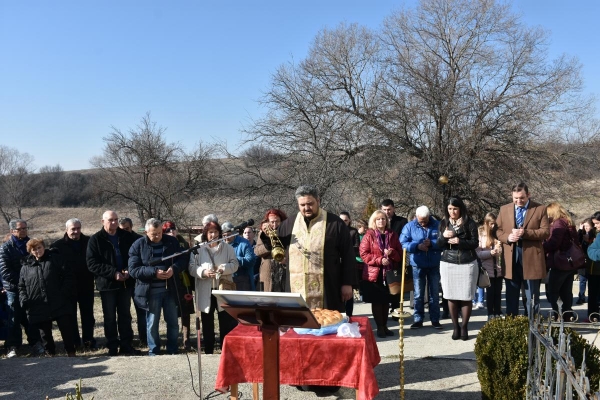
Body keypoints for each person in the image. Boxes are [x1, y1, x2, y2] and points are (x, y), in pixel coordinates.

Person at [277, 185, 356, 312]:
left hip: (327, 285)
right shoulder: (289, 224)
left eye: (310, 203)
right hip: (296, 286)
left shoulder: (335, 223)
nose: (306, 208)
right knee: (298, 325)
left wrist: (347, 283)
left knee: (327, 323)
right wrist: (266, 236)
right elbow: (275, 245)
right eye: (302, 205)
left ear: (318, 201)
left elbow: (348, 255)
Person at [128, 218, 186, 356]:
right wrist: (154, 273)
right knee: (152, 323)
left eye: (159, 232)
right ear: (146, 231)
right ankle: (154, 350)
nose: (157, 236)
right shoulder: (138, 245)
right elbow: (133, 270)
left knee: (173, 322)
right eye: (154, 234)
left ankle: (173, 349)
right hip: (150, 291)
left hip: (170, 289)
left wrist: (174, 269)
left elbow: (183, 259)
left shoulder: (172, 242)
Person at [86, 210, 138, 356]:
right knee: (109, 317)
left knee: (125, 315)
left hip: (125, 283)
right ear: (103, 222)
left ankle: (127, 345)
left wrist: (128, 270)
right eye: (110, 220)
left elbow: (134, 256)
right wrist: (113, 273)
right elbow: (92, 263)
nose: (114, 222)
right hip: (107, 284)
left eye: (116, 219)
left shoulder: (126, 236)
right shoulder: (95, 240)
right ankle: (113, 346)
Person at [496, 183, 549, 317]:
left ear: (528, 195)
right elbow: (497, 231)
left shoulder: (540, 209)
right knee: (511, 296)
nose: (518, 201)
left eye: (522, 198)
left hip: (531, 259)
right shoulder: (504, 209)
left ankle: (532, 326)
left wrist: (525, 233)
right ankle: (512, 325)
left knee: (531, 297)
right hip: (511, 258)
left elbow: (545, 232)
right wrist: (508, 237)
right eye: (515, 198)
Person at [19, 238, 76, 356]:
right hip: (39, 304)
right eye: (34, 249)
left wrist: (64, 293)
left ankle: (71, 352)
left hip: (58, 300)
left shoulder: (55, 258)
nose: (37, 251)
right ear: (30, 251)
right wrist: (24, 299)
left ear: (44, 247)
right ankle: (50, 354)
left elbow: (68, 276)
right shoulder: (25, 267)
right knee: (45, 333)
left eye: (39, 247)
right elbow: (21, 286)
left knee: (66, 328)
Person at [189, 221, 238, 354]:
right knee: (207, 322)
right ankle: (209, 350)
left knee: (225, 321)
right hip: (205, 289)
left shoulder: (227, 248)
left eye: (216, 232)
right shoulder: (198, 249)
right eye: (210, 232)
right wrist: (204, 273)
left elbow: (235, 265)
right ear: (206, 234)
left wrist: (223, 269)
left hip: (222, 289)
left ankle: (225, 350)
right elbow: (192, 268)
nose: (213, 235)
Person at [437, 197, 479, 341]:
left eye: (455, 209)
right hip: (448, 262)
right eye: (449, 209)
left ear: (460, 208)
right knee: (451, 296)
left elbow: (475, 243)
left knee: (466, 296)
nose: (452, 212)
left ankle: (464, 326)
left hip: (467, 262)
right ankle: (455, 326)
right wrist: (443, 237)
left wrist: (460, 241)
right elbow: (438, 244)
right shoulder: (443, 223)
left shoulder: (470, 222)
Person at [52, 218, 97, 349]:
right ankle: (75, 342)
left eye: (78, 228)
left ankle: (89, 341)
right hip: (67, 288)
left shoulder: (89, 242)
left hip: (86, 284)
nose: (76, 231)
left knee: (88, 315)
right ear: (66, 230)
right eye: (73, 229)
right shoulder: (57, 246)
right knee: (70, 316)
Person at [359, 210, 402, 337]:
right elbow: (363, 254)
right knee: (377, 302)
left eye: (383, 219)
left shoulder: (392, 235)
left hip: (388, 273)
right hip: (374, 274)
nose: (381, 221)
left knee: (386, 301)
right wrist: (379, 260)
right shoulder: (369, 235)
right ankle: (379, 328)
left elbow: (400, 255)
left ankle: (385, 326)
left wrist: (392, 253)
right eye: (378, 219)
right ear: (374, 221)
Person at [400, 205, 442, 329]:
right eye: (420, 221)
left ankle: (435, 319)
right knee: (418, 293)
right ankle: (418, 319)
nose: (423, 223)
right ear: (416, 217)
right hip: (418, 265)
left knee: (434, 293)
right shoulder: (409, 227)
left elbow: (443, 241)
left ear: (429, 216)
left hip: (434, 264)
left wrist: (433, 244)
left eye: (425, 220)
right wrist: (417, 246)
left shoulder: (438, 225)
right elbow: (402, 243)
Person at [0, 219, 35, 358]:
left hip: (31, 288)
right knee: (13, 318)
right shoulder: (5, 248)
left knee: (31, 317)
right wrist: (22, 281)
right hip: (13, 289)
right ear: (12, 231)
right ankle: (12, 346)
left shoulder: (32, 244)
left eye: (25, 228)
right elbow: (5, 271)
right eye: (20, 229)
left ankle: (35, 343)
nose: (23, 231)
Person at [162, 221, 195, 349]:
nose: (172, 232)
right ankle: (174, 339)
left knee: (185, 311)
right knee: (172, 311)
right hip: (170, 281)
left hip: (184, 281)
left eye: (173, 229)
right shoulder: (164, 243)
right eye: (168, 230)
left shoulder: (184, 243)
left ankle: (186, 339)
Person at [543, 203, 578, 321]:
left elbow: (554, 243)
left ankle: (557, 314)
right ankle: (567, 314)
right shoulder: (569, 222)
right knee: (566, 291)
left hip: (559, 262)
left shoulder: (558, 223)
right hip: (570, 263)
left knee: (552, 290)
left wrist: (542, 245)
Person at [118, 216, 146, 344]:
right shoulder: (117, 240)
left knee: (142, 311)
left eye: (127, 229)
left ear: (132, 227)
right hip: (123, 280)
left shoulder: (139, 240)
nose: (124, 231)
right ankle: (127, 339)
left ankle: (144, 338)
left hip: (138, 281)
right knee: (124, 313)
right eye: (122, 229)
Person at [475, 213, 503, 320]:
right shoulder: (481, 235)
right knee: (490, 293)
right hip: (487, 269)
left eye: (494, 224)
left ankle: (498, 311)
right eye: (491, 224)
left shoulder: (497, 234)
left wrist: (499, 249)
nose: (493, 226)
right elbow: (478, 253)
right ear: (486, 223)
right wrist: (490, 253)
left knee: (498, 292)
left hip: (499, 268)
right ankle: (490, 312)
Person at [255, 209, 288, 292]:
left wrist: (287, 259)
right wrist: (268, 242)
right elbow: (257, 251)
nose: (274, 224)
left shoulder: (287, 232)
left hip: (283, 272)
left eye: (277, 221)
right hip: (268, 274)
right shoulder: (262, 234)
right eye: (272, 222)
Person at [222, 221, 257, 291]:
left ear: (234, 233)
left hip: (242, 279)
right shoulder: (221, 245)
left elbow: (251, 261)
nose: (226, 238)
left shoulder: (244, 243)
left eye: (228, 235)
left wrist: (234, 260)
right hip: (226, 280)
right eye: (224, 236)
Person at [340, 211, 360, 317]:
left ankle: (349, 316)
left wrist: (346, 250)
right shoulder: (336, 231)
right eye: (341, 220)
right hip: (336, 265)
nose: (343, 222)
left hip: (350, 265)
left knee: (348, 293)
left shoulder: (353, 232)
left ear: (349, 221)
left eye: (345, 220)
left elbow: (357, 247)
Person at [581, 215, 599, 322]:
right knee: (592, 295)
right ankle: (592, 316)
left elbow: (593, 251)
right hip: (592, 269)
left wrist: (591, 248)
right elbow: (587, 251)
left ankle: (594, 316)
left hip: (597, 268)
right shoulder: (592, 234)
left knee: (595, 296)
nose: (595, 226)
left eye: (597, 223)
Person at [576, 218, 595, 305]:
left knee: (591, 282)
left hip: (591, 263)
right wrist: (580, 229)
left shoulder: (594, 236)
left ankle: (593, 297)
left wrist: (588, 241)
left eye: (588, 226)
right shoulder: (582, 235)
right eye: (585, 226)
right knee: (582, 281)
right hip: (583, 262)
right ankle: (581, 296)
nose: (586, 228)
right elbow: (576, 240)